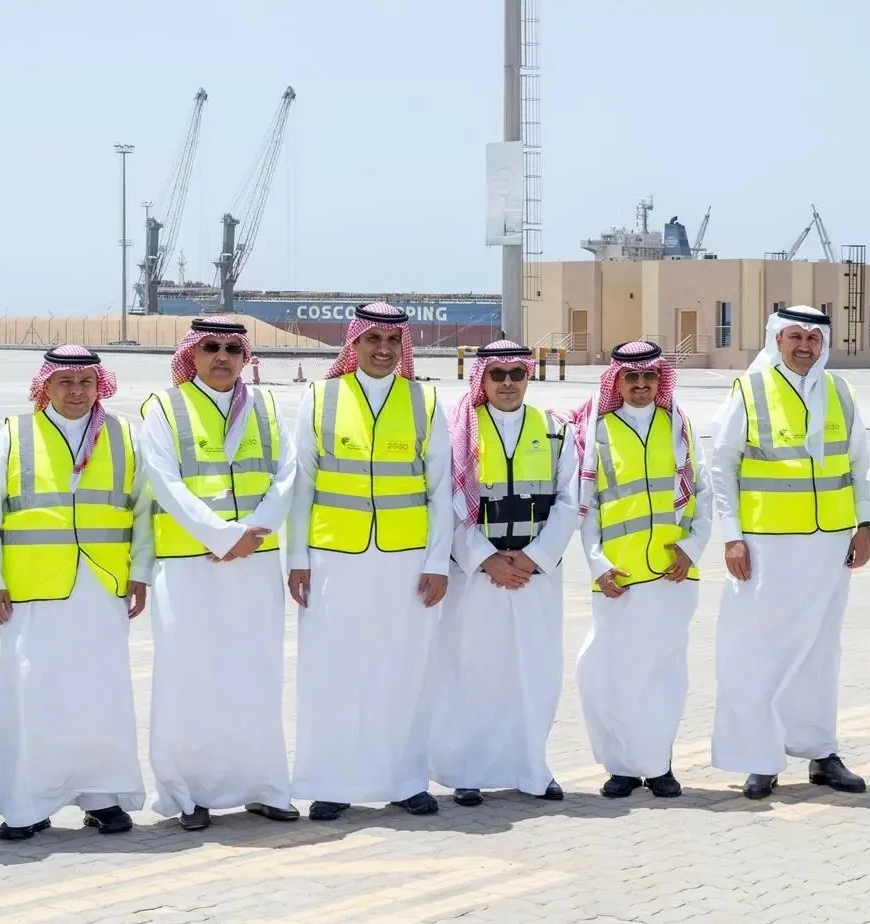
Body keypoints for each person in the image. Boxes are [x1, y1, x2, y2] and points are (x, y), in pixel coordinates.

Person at [287, 302, 452, 821]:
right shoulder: (320, 397)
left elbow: (440, 489)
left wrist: (438, 562)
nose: (383, 350)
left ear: (403, 346)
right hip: (333, 557)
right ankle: (331, 782)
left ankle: (404, 781)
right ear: (353, 344)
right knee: (332, 672)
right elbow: (301, 484)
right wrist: (297, 558)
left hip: (406, 562)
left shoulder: (425, 401)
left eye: (392, 341)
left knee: (403, 671)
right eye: (372, 340)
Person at [0, 347, 148, 839]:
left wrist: (139, 572)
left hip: (103, 585)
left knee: (102, 693)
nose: (76, 392)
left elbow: (143, 511)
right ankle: (27, 805)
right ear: (46, 386)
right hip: (31, 590)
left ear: (99, 385)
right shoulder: (15, 434)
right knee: (29, 696)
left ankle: (103, 797)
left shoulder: (123, 435)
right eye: (65, 382)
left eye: (86, 382)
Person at [139, 318, 299, 830]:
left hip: (254, 562)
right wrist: (222, 536)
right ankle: (188, 794)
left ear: (245, 355)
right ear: (193, 353)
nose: (223, 356)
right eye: (211, 347)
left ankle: (264, 787)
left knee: (256, 674)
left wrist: (253, 531)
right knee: (189, 678)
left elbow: (287, 475)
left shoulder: (267, 406)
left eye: (233, 347)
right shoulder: (164, 408)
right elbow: (164, 482)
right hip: (189, 566)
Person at [709, 305, 870, 799]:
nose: (804, 346)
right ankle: (762, 757)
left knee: (821, 651)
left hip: (830, 543)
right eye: (795, 337)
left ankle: (821, 752)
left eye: (812, 338)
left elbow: (858, 463)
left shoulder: (840, 391)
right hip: (767, 545)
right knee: (764, 651)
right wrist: (732, 536)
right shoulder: (750, 390)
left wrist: (865, 525)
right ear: (777, 340)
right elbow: (722, 466)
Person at [429, 341, 579, 806]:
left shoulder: (555, 429)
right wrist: (485, 558)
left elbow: (570, 501)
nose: (509, 383)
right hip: (476, 576)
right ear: (482, 378)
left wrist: (535, 556)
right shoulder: (457, 430)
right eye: (498, 374)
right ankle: (467, 771)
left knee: (535, 671)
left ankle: (531, 768)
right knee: (473, 671)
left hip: (535, 576)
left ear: (528, 376)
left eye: (518, 373)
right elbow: (445, 503)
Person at [570, 341, 710, 798]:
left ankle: (658, 765)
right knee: (610, 673)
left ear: (660, 379)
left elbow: (703, 494)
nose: (641, 385)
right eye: (631, 377)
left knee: (663, 676)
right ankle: (623, 767)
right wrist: (597, 564)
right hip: (620, 577)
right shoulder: (598, 432)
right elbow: (587, 507)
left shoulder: (679, 427)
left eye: (649, 376)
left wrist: (692, 549)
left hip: (673, 573)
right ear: (617, 381)